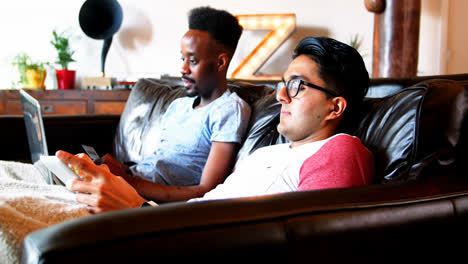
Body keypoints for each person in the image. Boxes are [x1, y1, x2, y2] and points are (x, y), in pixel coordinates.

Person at [58, 36, 374, 213]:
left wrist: (134, 210)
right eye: (282, 84)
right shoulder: (266, 155)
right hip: (159, 223)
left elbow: (315, 240)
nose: (280, 96)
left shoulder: (341, 150)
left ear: (336, 107)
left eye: (296, 86)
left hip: (155, 233)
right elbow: (206, 206)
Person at [90, 6, 251, 204]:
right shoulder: (178, 106)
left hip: (142, 200)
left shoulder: (228, 109)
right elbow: (159, 166)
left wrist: (124, 180)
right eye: (182, 58)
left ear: (220, 63)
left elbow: (206, 191)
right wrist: (120, 169)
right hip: (130, 183)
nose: (183, 68)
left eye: (192, 60)